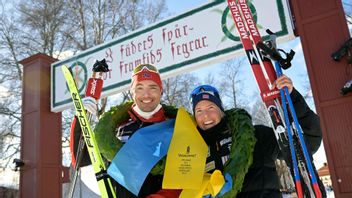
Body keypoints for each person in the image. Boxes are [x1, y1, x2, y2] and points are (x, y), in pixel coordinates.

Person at [190, 75, 326, 198]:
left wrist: (292, 99)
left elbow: (308, 143)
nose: (206, 116)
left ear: (221, 110)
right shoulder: (189, 153)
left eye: (211, 108)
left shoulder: (256, 137)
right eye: (199, 111)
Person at [70, 64, 180, 198]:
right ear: (132, 92)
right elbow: (80, 160)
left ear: (161, 91)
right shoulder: (116, 129)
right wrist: (80, 117)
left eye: (153, 87)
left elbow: (184, 176)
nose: (146, 94)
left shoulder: (175, 127)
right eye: (139, 88)